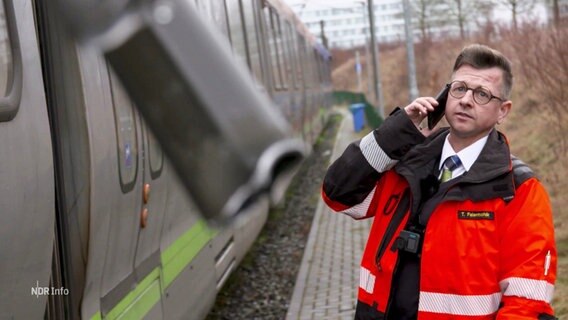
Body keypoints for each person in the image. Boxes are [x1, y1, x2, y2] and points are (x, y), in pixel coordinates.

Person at [321, 44, 557, 319]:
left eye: (482, 94)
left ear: (503, 111)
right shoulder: (405, 163)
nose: (466, 100)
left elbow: (527, 304)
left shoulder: (519, 191)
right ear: (445, 95)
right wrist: (394, 133)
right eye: (459, 89)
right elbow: (338, 194)